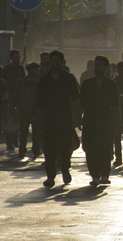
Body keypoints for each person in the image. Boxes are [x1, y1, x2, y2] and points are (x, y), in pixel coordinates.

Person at [36, 50, 80, 188]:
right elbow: (38, 102)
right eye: (53, 60)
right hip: (48, 120)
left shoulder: (68, 78)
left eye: (57, 60)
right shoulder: (44, 80)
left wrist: (77, 117)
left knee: (65, 148)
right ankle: (50, 177)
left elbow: (76, 99)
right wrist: (37, 120)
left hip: (65, 119)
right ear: (49, 62)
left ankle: (65, 170)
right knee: (49, 150)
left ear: (62, 62)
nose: (55, 62)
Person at [80, 55, 120, 186]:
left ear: (106, 68)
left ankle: (105, 175)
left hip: (106, 120)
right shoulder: (87, 83)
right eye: (96, 65)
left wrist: (117, 122)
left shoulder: (111, 84)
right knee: (90, 149)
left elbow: (115, 105)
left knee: (105, 148)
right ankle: (95, 176)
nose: (97, 68)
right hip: (90, 120)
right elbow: (81, 103)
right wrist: (77, 119)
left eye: (100, 66)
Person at [15, 62, 42, 159]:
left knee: (23, 131)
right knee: (36, 131)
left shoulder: (21, 81)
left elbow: (16, 96)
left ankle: (22, 151)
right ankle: (36, 150)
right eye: (37, 70)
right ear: (33, 70)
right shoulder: (39, 81)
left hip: (22, 110)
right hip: (34, 110)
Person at [2, 49, 25, 150]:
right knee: (8, 120)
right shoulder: (6, 69)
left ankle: (15, 139)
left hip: (19, 98)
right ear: (11, 58)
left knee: (17, 119)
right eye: (16, 57)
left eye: (19, 57)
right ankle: (9, 142)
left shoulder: (21, 69)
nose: (18, 59)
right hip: (9, 98)